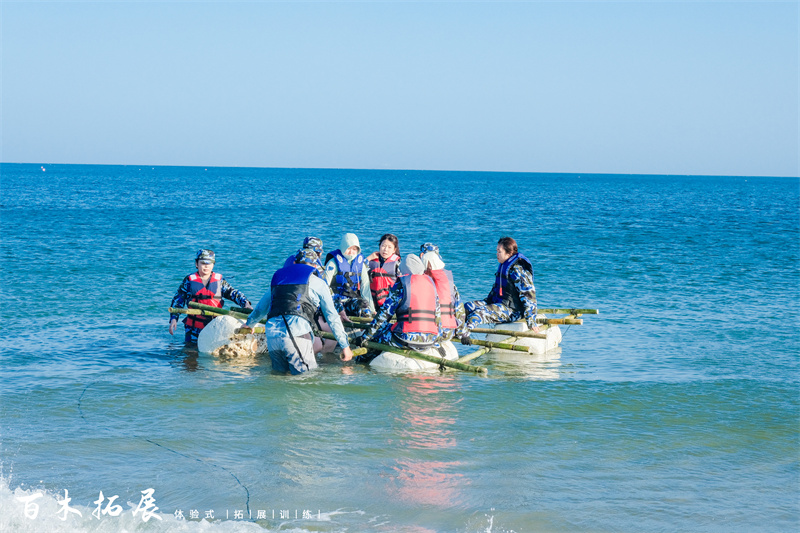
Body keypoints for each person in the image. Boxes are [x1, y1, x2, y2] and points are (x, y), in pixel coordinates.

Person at [242, 249, 353, 374]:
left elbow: (260, 308)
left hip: (272, 335)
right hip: (296, 334)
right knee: (307, 379)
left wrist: (249, 324)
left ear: (295, 262)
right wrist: (345, 346)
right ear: (315, 266)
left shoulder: (278, 280)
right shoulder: (319, 283)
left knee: (279, 378)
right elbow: (332, 317)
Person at [358, 254, 440, 362]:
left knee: (378, 335)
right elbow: (438, 317)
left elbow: (383, 316)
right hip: (430, 339)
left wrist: (365, 337)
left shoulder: (401, 284)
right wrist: (438, 341)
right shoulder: (431, 284)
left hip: (404, 339)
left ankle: (362, 363)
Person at [462, 237, 538, 344]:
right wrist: (487, 302)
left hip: (512, 311)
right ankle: (453, 329)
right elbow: (497, 289)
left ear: (509, 253)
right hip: (498, 303)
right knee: (467, 307)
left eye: (499, 251)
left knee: (479, 313)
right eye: (496, 251)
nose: (497, 254)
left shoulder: (518, 270)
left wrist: (532, 321)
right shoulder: (503, 266)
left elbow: (529, 297)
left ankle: (465, 334)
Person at [169, 249, 252, 344]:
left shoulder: (220, 282)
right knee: (190, 355)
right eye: (203, 263)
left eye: (209, 263)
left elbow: (233, 293)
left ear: (213, 265)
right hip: (193, 329)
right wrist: (174, 318)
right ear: (196, 264)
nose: (206, 266)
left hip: (214, 326)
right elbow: (178, 299)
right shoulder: (189, 281)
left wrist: (245, 303)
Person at [419, 243, 467, 342]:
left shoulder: (420, 279)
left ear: (422, 257)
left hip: (430, 333)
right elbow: (459, 309)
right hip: (448, 332)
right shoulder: (448, 281)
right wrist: (463, 333)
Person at [324, 233, 375, 318]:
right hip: (336, 301)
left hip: (351, 300)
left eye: (354, 249)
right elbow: (324, 285)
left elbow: (365, 288)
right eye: (348, 248)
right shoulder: (333, 263)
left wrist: (372, 310)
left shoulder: (360, 264)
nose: (351, 252)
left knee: (364, 308)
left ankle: (366, 327)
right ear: (343, 247)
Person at [366, 233, 401, 308]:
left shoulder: (397, 264)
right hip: (371, 302)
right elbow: (357, 270)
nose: (385, 250)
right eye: (383, 246)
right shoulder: (371, 262)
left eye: (389, 247)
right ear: (379, 246)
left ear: (394, 250)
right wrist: (368, 258)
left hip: (389, 303)